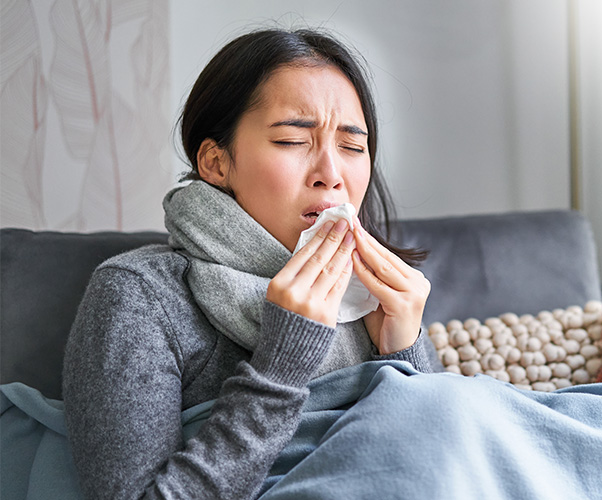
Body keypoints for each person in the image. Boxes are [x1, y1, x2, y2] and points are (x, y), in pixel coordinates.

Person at [63, 28, 440, 499]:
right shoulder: (138, 296)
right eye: (290, 140)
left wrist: (404, 351)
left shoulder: (378, 296)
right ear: (216, 163)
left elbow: (436, 461)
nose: (331, 174)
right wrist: (282, 364)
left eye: (352, 147)